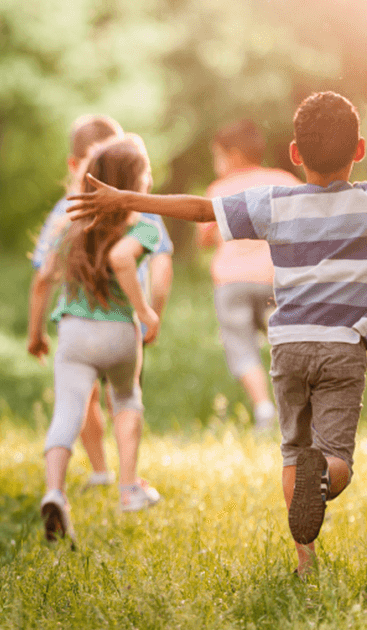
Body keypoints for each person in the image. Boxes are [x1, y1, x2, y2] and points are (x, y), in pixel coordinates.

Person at [68, 91, 367, 576]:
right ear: (359, 149)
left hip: (288, 344)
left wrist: (128, 199)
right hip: (343, 346)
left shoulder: (275, 202)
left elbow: (201, 210)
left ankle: (305, 562)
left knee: (294, 449)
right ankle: (324, 479)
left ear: (295, 153)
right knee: (335, 459)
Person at [28, 135, 163, 543]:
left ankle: (55, 491)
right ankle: (128, 489)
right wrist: (145, 311)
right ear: (133, 182)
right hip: (120, 332)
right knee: (125, 401)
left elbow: (42, 277)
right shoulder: (143, 222)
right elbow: (122, 258)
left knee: (67, 410)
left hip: (73, 332)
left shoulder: (68, 221)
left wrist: (35, 333)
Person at [198, 119, 299, 431]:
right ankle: (297, 407)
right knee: (286, 343)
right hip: (276, 280)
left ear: (234, 155)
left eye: (218, 156)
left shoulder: (219, 190)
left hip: (233, 284)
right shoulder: (283, 181)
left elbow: (203, 239)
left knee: (242, 347)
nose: (216, 164)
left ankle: (264, 410)